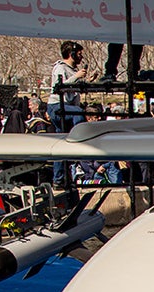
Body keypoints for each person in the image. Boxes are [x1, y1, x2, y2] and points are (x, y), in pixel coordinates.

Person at [49, 40, 92, 185]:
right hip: (57, 106)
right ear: (71, 54)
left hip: (68, 106)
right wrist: (76, 77)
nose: (81, 57)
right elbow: (59, 86)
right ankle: (80, 138)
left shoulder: (74, 71)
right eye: (79, 54)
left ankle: (59, 178)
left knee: (61, 144)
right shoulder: (60, 68)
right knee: (78, 113)